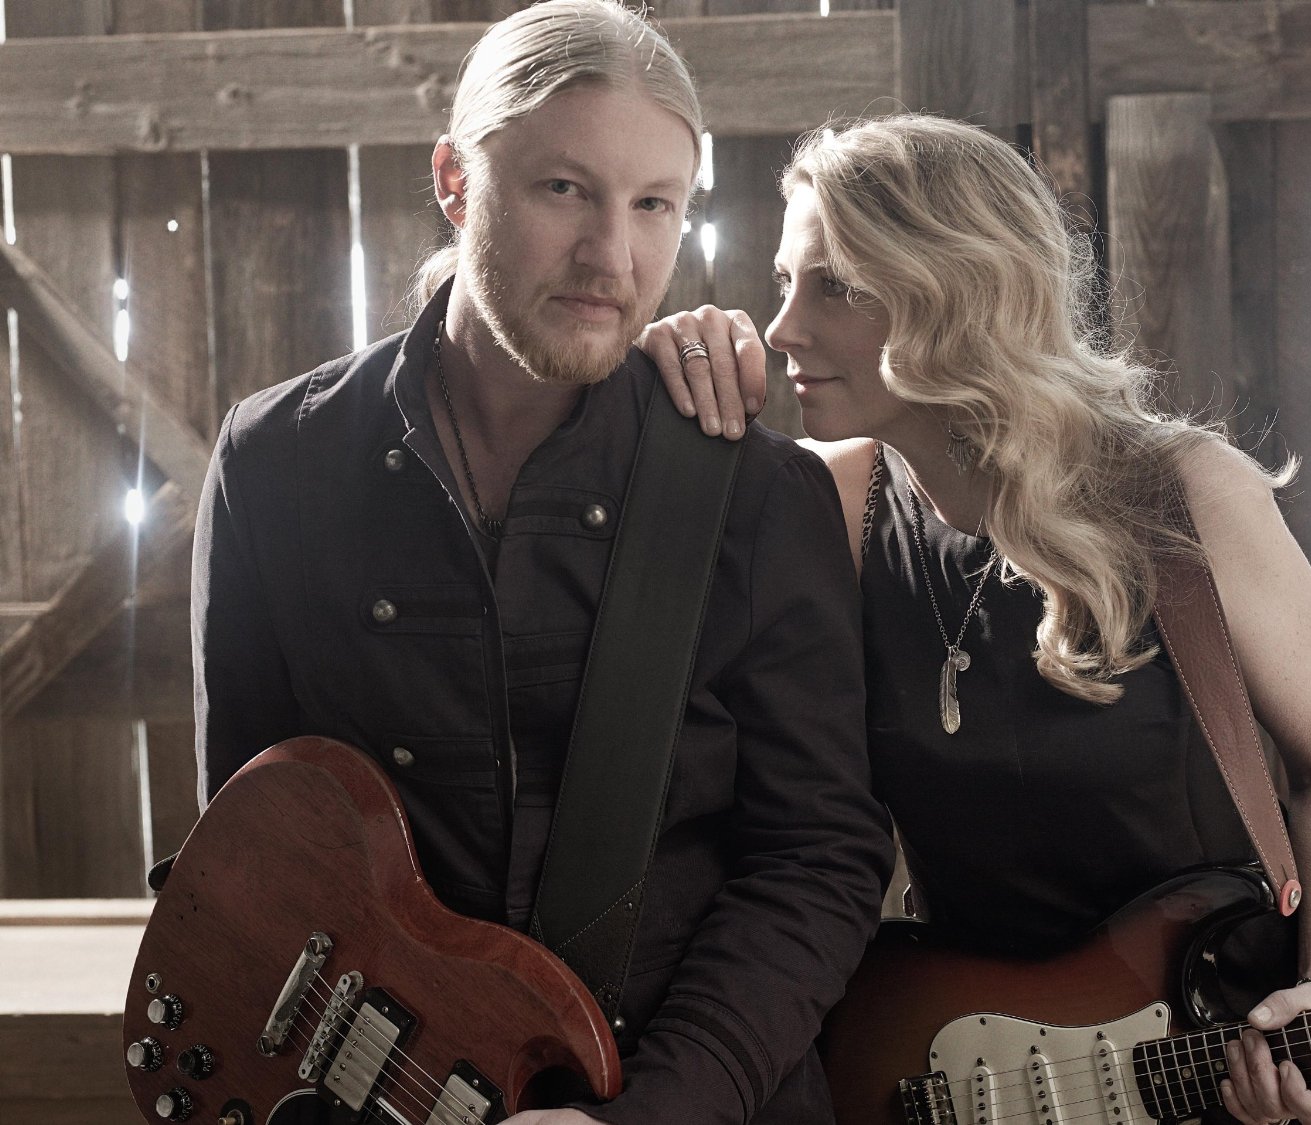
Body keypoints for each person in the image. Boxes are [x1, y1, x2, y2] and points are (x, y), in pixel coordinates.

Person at [190, 4, 892, 1124]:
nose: (612, 257)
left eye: (654, 204)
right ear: (455, 182)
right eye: (565, 188)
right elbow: (250, 842)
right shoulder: (277, 462)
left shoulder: (757, 495)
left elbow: (817, 861)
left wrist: (654, 1110)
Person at [641, 114, 1311, 1125]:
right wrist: (657, 371)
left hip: (1238, 1058)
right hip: (991, 1086)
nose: (782, 330)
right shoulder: (833, 510)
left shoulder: (1187, 496)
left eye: (834, 287)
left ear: (954, 293)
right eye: (783, 283)